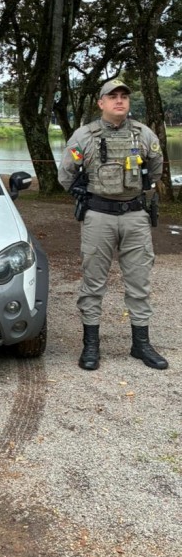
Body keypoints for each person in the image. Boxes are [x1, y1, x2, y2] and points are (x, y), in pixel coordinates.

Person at [58, 79, 168, 372]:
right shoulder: (84, 136)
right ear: (101, 103)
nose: (119, 101)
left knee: (139, 280)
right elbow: (66, 175)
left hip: (135, 215)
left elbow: (155, 168)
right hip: (99, 216)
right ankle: (91, 345)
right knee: (93, 281)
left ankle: (140, 343)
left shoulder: (144, 135)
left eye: (124, 96)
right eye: (112, 96)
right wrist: (86, 192)